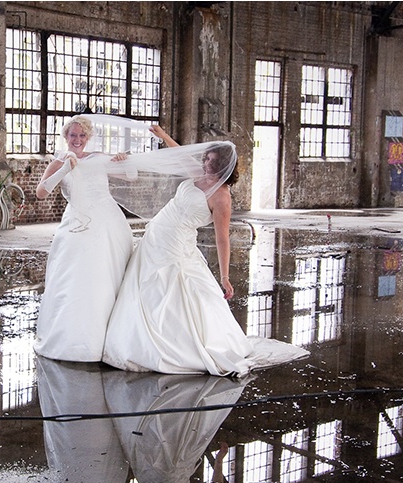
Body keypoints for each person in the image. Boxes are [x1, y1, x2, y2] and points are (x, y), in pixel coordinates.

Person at [103, 125, 308, 376]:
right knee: (142, 284)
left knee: (171, 290)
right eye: (206, 159)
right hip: (157, 234)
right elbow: (179, 154)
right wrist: (164, 135)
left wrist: (224, 277)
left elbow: (223, 239)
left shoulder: (221, 197)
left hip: (176, 244)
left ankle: (170, 345)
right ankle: (135, 336)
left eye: (212, 162)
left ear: (223, 166)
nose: (207, 165)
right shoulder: (197, 175)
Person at [33, 115, 134, 362]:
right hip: (76, 221)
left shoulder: (99, 157)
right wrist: (66, 168)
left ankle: (110, 337)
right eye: (72, 135)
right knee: (74, 277)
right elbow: (41, 192)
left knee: (105, 275)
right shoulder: (58, 160)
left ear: (87, 138)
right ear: (65, 137)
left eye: (81, 135)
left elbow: (130, 176)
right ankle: (74, 336)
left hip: (107, 221)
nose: (77, 140)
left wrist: (123, 162)